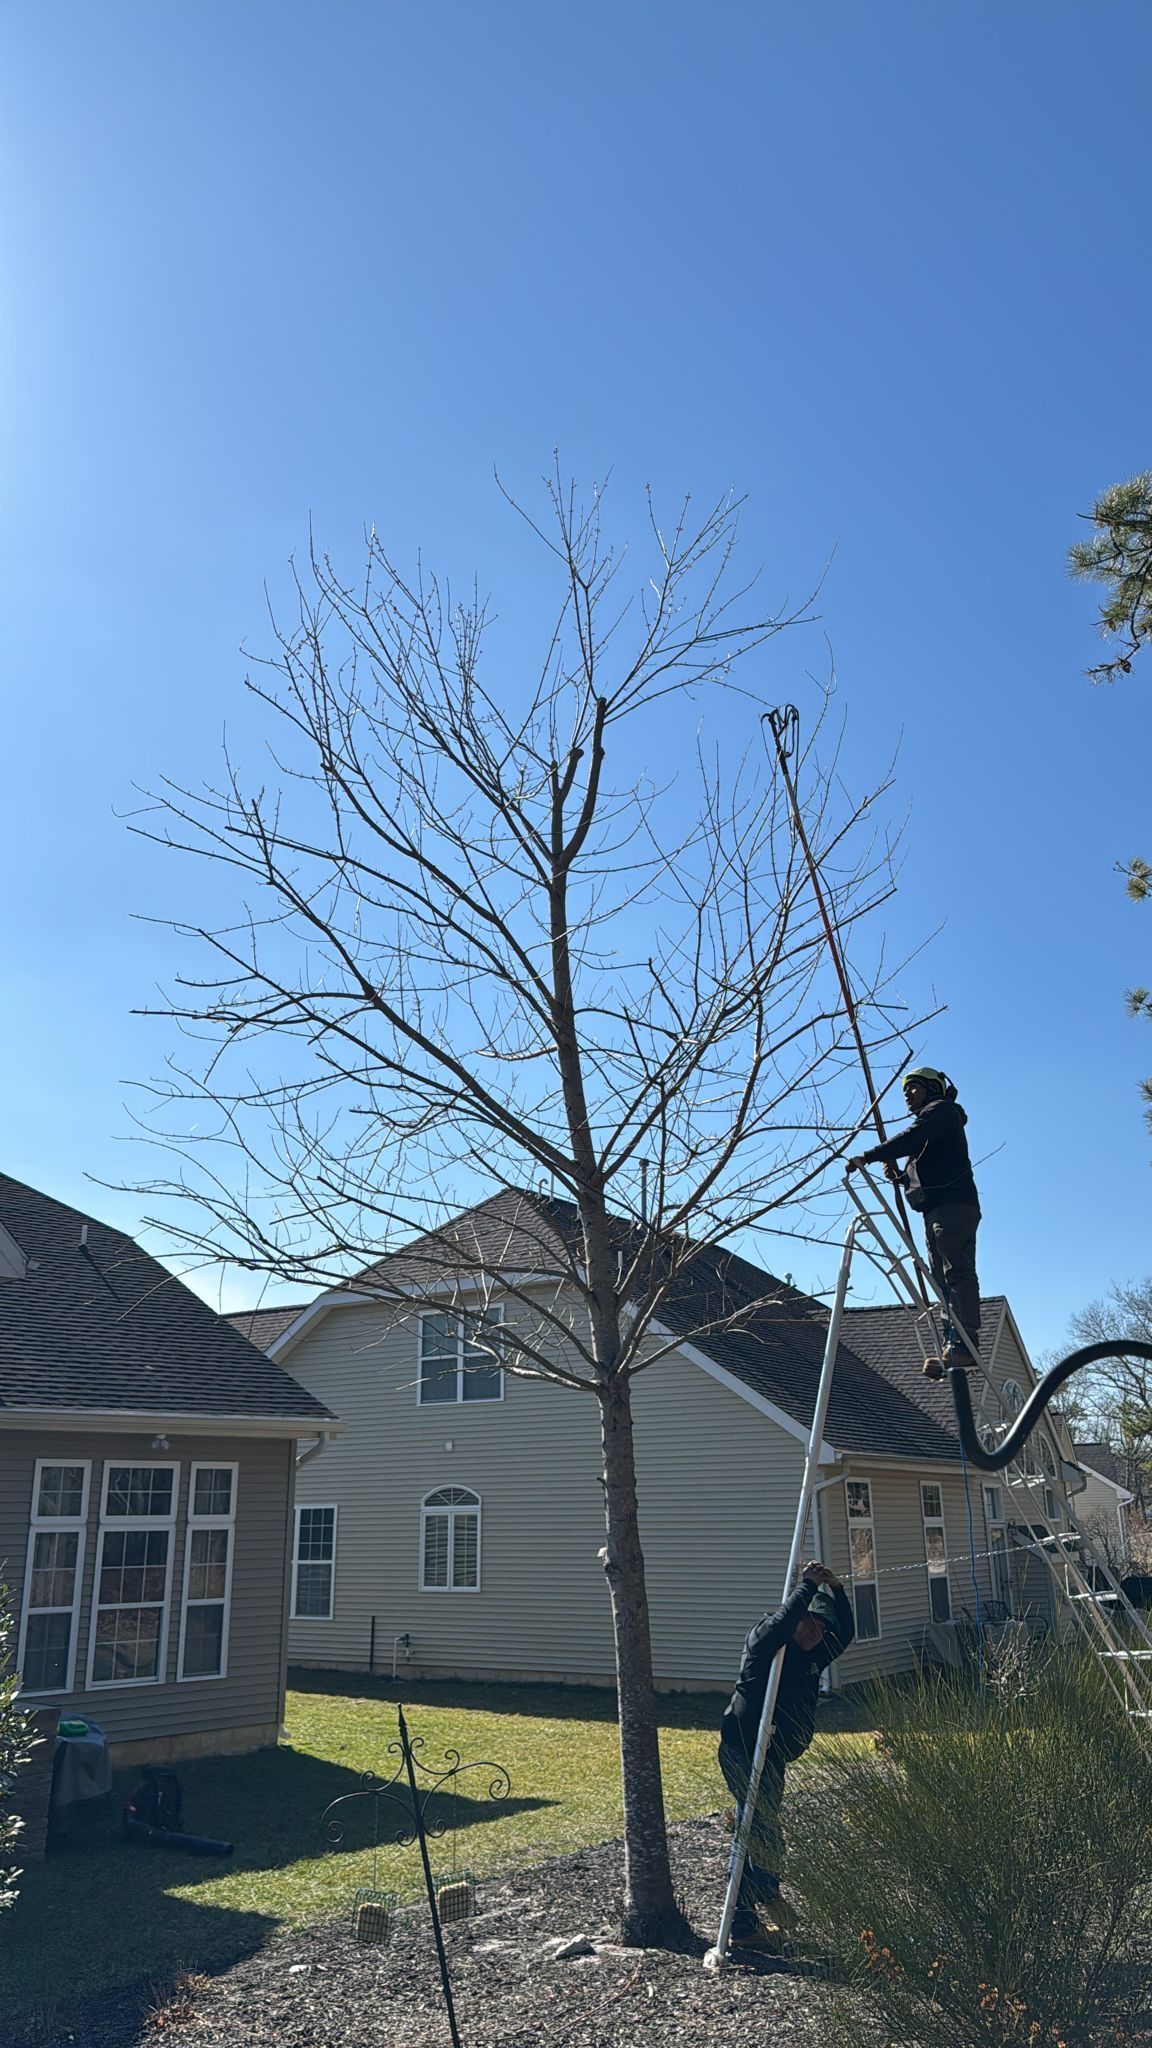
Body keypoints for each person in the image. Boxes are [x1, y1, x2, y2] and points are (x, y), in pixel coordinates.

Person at [719, 1560, 854, 1948]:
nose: (817, 1632)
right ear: (796, 1617)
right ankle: (742, 1924)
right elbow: (782, 1623)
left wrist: (837, 1591)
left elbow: (846, 1633)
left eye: (822, 1627)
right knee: (755, 1829)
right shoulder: (768, 1645)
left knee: (767, 1830)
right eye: (810, 1623)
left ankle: (766, 1895)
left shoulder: (812, 1653)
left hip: (773, 1755)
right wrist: (807, 1587)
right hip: (743, 1748)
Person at [847, 1065, 982, 1370]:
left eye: (914, 1087)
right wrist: (899, 1177)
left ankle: (966, 1342)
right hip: (935, 1209)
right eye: (905, 1090)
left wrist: (870, 1155)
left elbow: (913, 1136)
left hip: (953, 1207)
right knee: (940, 1279)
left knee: (955, 1271)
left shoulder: (942, 1112)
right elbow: (926, 1170)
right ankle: (952, 1343)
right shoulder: (932, 1127)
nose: (908, 1094)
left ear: (932, 1088)